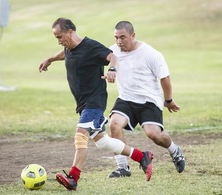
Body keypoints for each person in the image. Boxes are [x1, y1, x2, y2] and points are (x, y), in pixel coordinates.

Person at [38, 18, 154, 191]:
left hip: (94, 102)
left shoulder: (90, 46)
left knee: (80, 135)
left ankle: (73, 177)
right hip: (84, 104)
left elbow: (112, 56)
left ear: (70, 32)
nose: (59, 40)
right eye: (56, 38)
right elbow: (65, 54)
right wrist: (50, 59)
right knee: (103, 142)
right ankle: (142, 156)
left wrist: (112, 69)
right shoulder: (69, 48)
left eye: (59, 36)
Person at [103, 21, 185, 178]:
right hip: (126, 99)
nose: (119, 42)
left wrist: (168, 100)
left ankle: (174, 150)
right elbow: (90, 56)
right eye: (116, 38)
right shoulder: (113, 51)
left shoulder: (151, 54)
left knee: (154, 135)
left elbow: (165, 78)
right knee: (114, 124)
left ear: (133, 35)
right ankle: (123, 167)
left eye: (123, 37)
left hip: (149, 101)